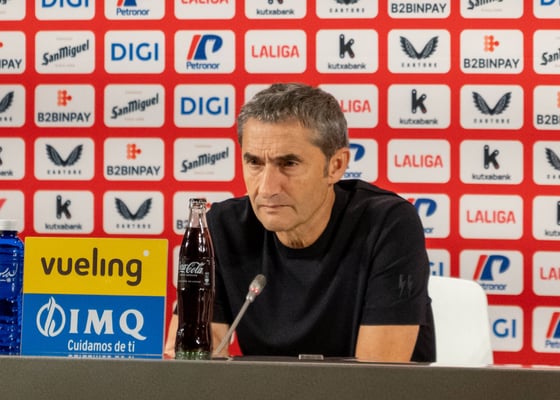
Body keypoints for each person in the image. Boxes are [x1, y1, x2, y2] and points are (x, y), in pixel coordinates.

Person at [166, 83, 435, 362]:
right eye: (255, 163)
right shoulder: (222, 227)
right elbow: (191, 360)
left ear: (336, 166)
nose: (267, 188)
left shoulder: (387, 224)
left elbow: (378, 375)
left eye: (289, 164)